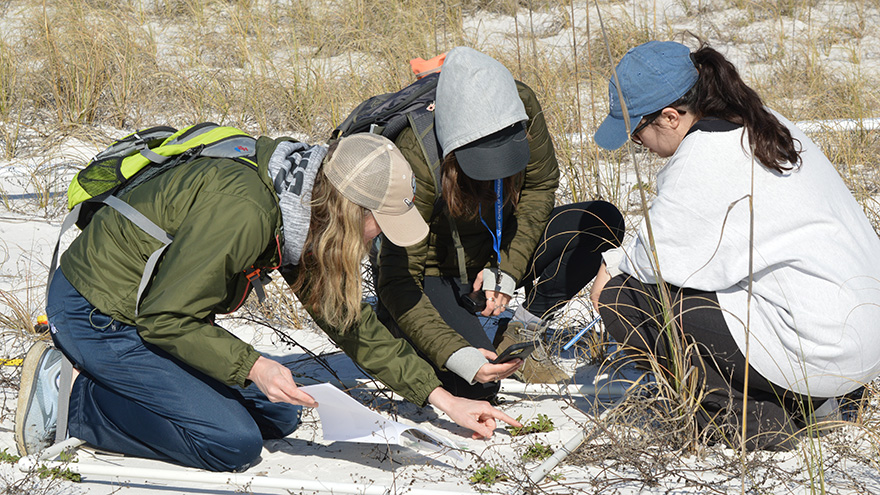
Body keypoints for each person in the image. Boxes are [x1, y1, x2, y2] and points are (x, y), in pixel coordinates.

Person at [15, 132, 520, 471]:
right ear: (352, 209)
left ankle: (123, 385)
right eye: (379, 226)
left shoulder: (303, 204)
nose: (378, 241)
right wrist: (253, 365)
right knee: (230, 443)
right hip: (97, 313)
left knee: (279, 416)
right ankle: (71, 399)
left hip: (149, 313)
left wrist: (443, 397)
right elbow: (165, 317)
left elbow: (349, 323)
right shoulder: (246, 211)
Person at [590, 40, 880, 450]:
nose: (642, 147)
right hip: (863, 342)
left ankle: (757, 418)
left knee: (622, 298)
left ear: (670, 117)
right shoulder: (763, 121)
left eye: (638, 135)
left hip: (820, 349)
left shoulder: (702, 156)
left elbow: (656, 259)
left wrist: (610, 267)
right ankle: (812, 398)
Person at [376, 46, 625, 401]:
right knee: (478, 385)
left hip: (496, 247)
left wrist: (506, 269)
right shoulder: (416, 152)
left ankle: (521, 329)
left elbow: (540, 186)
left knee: (600, 222)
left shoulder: (519, 104)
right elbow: (400, 276)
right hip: (436, 270)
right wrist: (455, 353)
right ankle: (403, 329)